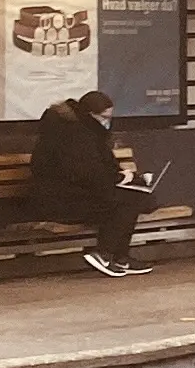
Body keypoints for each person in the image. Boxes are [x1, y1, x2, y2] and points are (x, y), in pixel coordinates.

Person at [30, 87, 156, 275]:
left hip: (74, 194)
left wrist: (122, 176)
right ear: (90, 115)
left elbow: (96, 169)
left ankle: (118, 257)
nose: (107, 122)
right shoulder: (74, 135)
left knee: (130, 198)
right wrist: (120, 177)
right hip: (60, 201)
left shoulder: (84, 131)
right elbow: (86, 172)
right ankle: (105, 254)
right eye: (104, 117)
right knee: (126, 202)